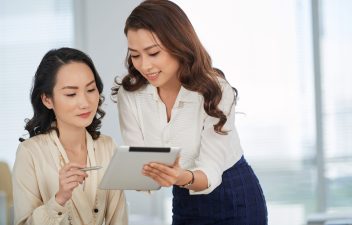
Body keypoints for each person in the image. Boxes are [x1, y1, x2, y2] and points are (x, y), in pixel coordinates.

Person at [111, 1, 267, 224]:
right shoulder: (131, 95)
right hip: (184, 197)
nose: (144, 66)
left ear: (178, 45)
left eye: (153, 53)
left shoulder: (215, 90)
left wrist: (180, 176)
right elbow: (141, 171)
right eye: (135, 55)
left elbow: (211, 169)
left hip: (234, 194)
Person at [13, 47, 128, 225]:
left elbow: (118, 219)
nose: (85, 103)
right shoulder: (30, 153)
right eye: (71, 94)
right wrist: (59, 199)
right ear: (47, 100)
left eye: (90, 89)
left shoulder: (107, 146)